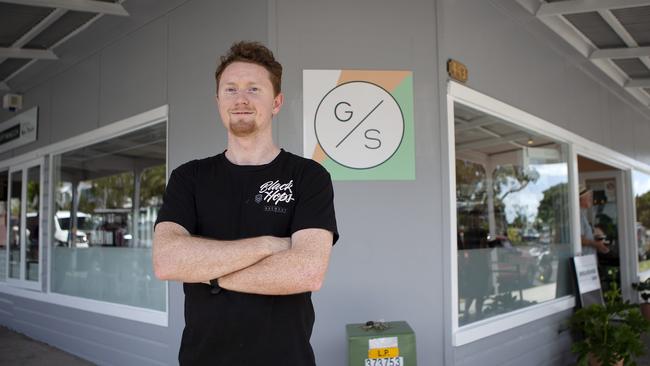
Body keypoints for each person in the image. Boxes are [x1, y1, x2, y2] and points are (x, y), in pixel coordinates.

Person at [152, 41, 339, 366]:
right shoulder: (189, 177)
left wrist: (207, 273)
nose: (241, 99)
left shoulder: (309, 176)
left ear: (276, 102)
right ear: (218, 101)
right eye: (230, 89)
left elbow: (307, 272)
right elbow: (167, 261)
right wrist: (269, 245)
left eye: (254, 89)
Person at [579, 186, 609, 255]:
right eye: (588, 197)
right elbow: (580, 240)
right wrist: (597, 244)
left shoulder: (581, 214)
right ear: (580, 199)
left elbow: (584, 233)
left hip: (587, 259)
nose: (591, 199)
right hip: (584, 260)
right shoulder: (578, 216)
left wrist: (593, 231)